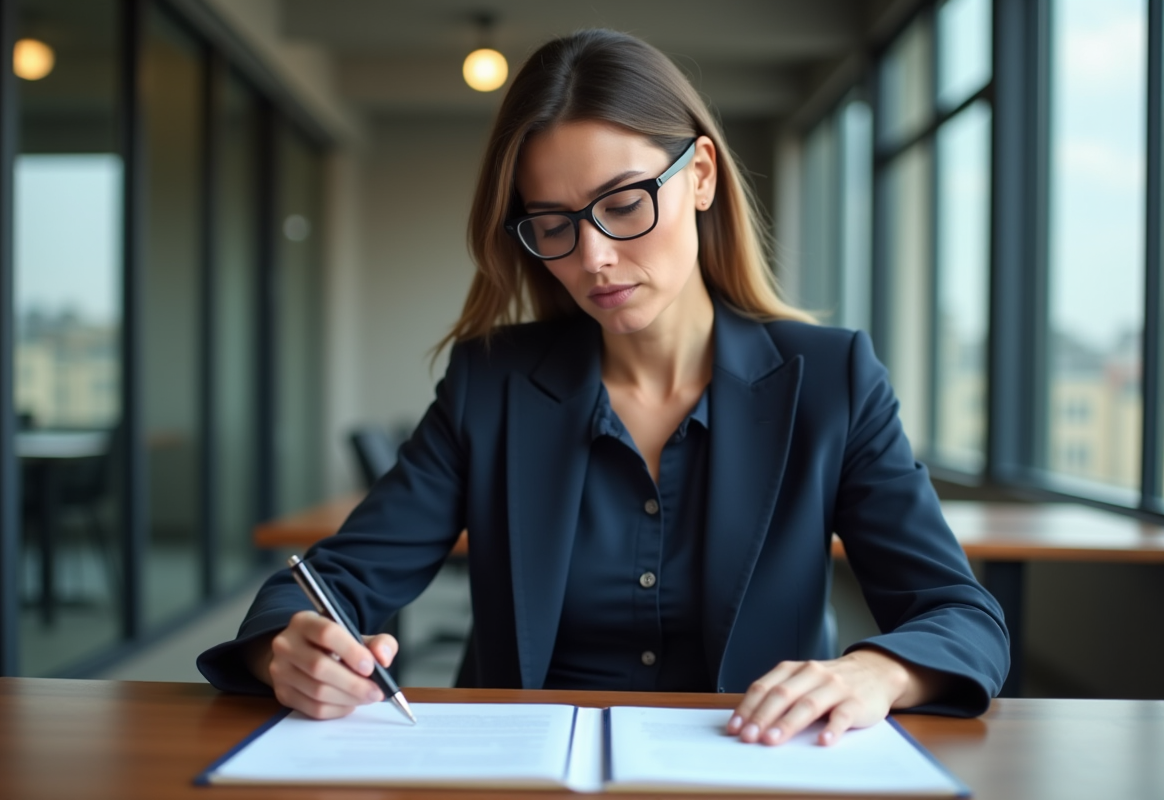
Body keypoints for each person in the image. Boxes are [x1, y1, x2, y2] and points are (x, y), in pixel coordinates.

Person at [198, 28, 1009, 747]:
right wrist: (290, 649)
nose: (591, 257)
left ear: (700, 176)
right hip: (522, 768)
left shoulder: (831, 381)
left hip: (753, 765)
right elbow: (325, 584)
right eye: (552, 223)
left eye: (623, 203)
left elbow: (963, 616)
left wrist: (876, 672)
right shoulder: (494, 383)